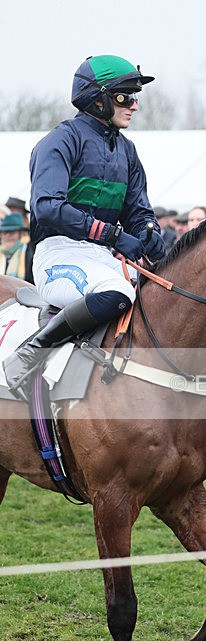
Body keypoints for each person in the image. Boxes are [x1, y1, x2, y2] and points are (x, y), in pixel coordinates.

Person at [2, 54, 166, 400]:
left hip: (102, 259)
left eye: (135, 96)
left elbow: (139, 211)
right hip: (57, 255)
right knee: (120, 293)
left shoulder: (127, 151)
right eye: (126, 95)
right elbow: (47, 208)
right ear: (98, 98)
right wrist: (113, 235)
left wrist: (149, 231)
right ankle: (32, 350)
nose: (135, 105)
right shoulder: (60, 141)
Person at [0, 213, 32, 280]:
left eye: (12, 232)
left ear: (21, 234)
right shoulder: (2, 253)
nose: (7, 235)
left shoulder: (30, 252)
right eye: (4, 232)